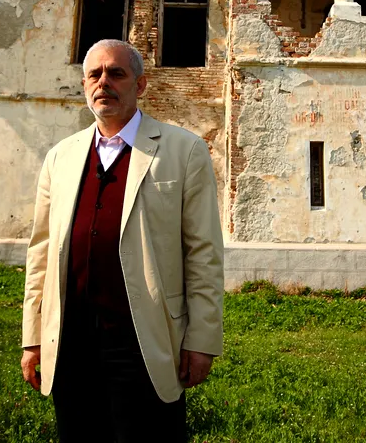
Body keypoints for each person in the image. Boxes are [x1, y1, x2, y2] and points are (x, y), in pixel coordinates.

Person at [21, 38, 224, 443]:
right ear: (84, 85)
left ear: (140, 84)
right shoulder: (61, 157)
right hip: (72, 343)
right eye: (94, 75)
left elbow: (203, 253)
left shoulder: (183, 151)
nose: (104, 82)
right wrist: (33, 338)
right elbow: (40, 251)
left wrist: (202, 340)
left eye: (116, 73)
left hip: (145, 341)